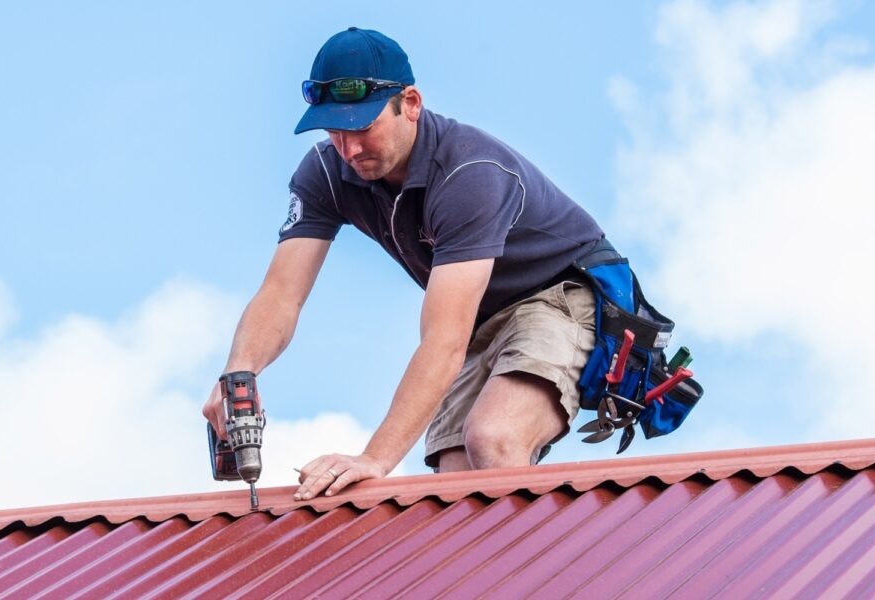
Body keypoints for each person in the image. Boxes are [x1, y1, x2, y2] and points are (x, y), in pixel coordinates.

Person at [203, 27, 607, 502]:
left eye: (362, 128)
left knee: (493, 440)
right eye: (335, 131)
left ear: (410, 104)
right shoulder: (326, 173)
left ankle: (546, 575)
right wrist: (239, 375)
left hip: (561, 297)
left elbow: (445, 339)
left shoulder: (469, 175)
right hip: (484, 317)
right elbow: (281, 294)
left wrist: (373, 459)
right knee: (459, 481)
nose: (349, 150)